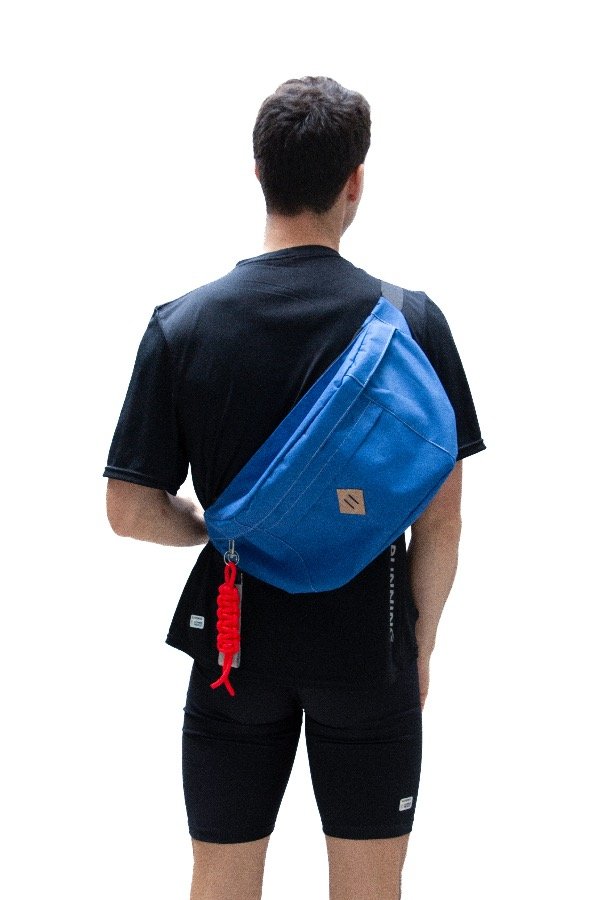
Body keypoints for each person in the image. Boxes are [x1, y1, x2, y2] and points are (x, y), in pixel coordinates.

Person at [104, 76, 485, 900]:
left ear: (258, 172)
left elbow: (128, 511)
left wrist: (213, 526)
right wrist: (418, 647)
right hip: (369, 646)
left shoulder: (182, 325)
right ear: (356, 180)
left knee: (221, 881)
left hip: (234, 647)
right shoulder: (411, 326)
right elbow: (442, 523)